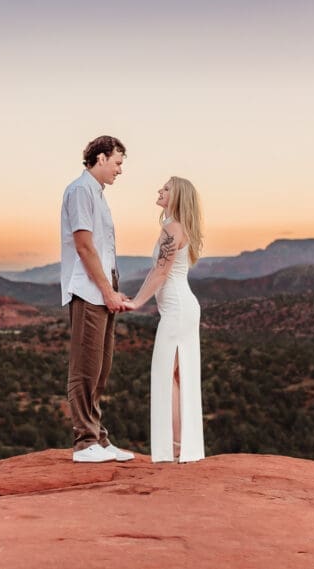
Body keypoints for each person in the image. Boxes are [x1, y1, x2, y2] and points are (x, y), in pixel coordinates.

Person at [60, 135, 136, 463]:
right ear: (101, 158)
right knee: (85, 368)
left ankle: (99, 439)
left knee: (101, 368)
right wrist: (107, 291)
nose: (120, 170)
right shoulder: (80, 191)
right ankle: (84, 442)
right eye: (118, 163)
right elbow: (84, 246)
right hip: (88, 292)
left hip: (103, 291)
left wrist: (113, 289)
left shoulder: (97, 194)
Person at [123, 177, 205, 463]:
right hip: (181, 308)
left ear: (178, 196)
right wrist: (135, 297)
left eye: (166, 188)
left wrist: (135, 303)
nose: (160, 190)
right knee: (179, 377)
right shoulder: (176, 227)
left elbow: (160, 273)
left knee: (164, 374)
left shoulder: (172, 228)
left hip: (177, 310)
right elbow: (154, 273)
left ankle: (175, 447)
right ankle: (183, 447)